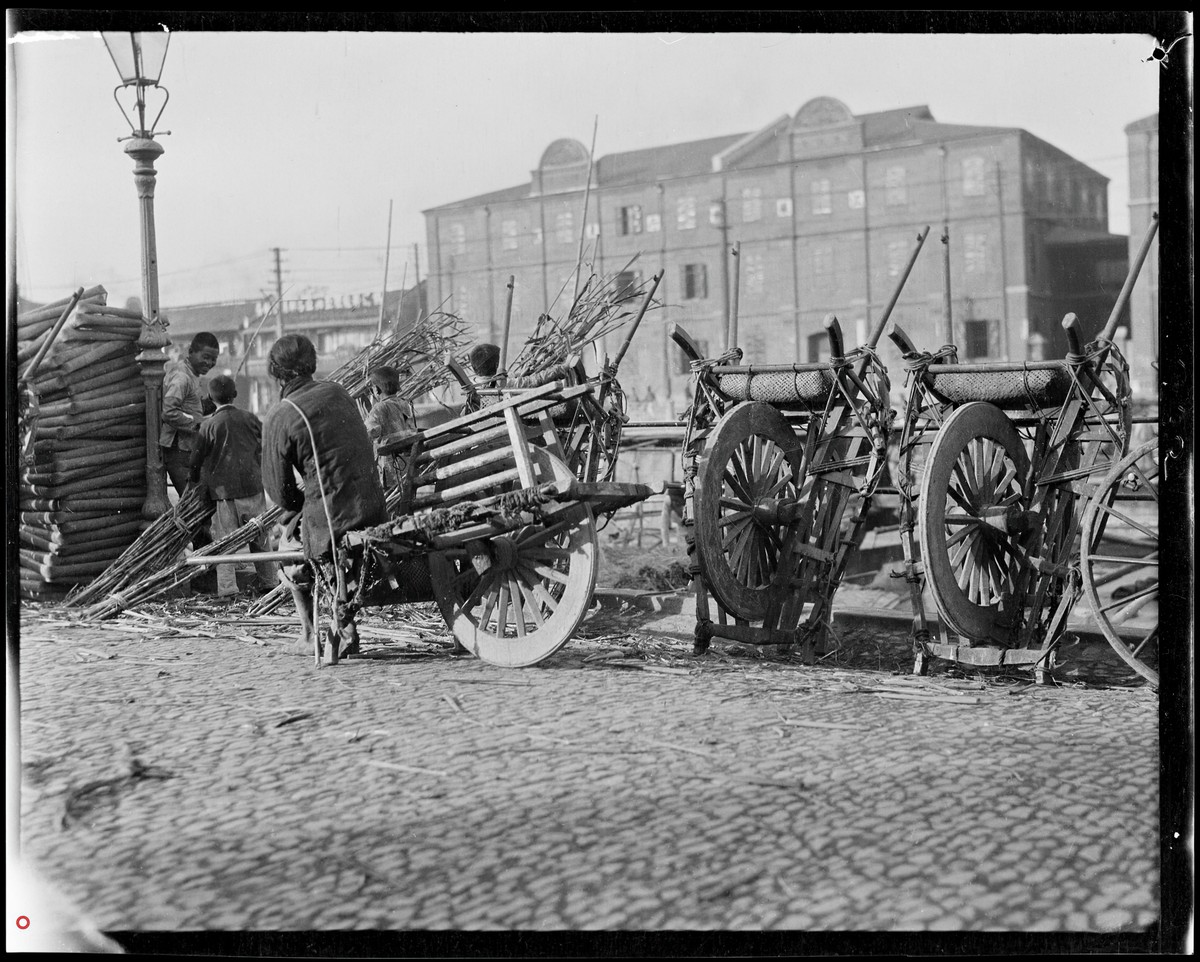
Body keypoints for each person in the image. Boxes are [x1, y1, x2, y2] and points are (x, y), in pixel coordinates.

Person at [262, 334, 388, 658]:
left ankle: (308, 634)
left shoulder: (282, 414)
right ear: (312, 364)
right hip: (374, 505)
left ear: (276, 374)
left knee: (287, 550)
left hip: (332, 520)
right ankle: (342, 620)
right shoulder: (338, 392)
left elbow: (279, 492)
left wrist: (297, 508)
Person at [187, 375, 281, 600]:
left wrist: (193, 482)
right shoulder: (250, 418)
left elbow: (195, 461)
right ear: (235, 394)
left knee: (225, 543)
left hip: (223, 494)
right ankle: (270, 584)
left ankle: (228, 591)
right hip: (253, 489)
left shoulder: (208, 425)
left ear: (210, 397)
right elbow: (265, 445)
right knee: (261, 537)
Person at [161, 332, 220, 552]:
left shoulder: (191, 375)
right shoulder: (182, 377)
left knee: (201, 506)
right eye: (205, 357)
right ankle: (204, 566)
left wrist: (209, 405)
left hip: (188, 450)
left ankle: (205, 562)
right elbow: (169, 411)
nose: (209, 363)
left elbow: (188, 408)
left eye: (213, 359)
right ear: (191, 352)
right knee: (197, 509)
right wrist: (198, 422)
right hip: (179, 451)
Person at [362, 364, 417, 490]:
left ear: (376, 389)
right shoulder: (404, 404)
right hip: (407, 465)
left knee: (390, 502)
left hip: (389, 469)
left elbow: (368, 433)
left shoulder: (378, 408)